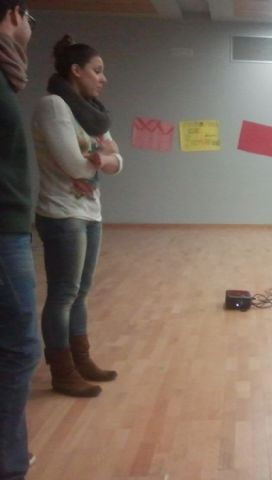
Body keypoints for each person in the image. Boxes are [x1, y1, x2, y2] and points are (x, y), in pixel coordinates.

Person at [32, 34, 123, 397]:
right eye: (97, 70)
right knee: (64, 293)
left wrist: (102, 159)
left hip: (90, 211)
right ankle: (62, 370)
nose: (103, 78)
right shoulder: (53, 106)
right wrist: (102, 158)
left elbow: (119, 161)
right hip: (61, 212)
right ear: (76, 70)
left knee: (81, 292)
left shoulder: (92, 113)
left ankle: (81, 359)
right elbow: (72, 163)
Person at [0, 2, 39, 478]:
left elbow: (110, 158)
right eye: (31, 16)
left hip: (12, 228)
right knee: (20, 348)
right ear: (14, 14)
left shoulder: (7, 74)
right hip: (4, 232)